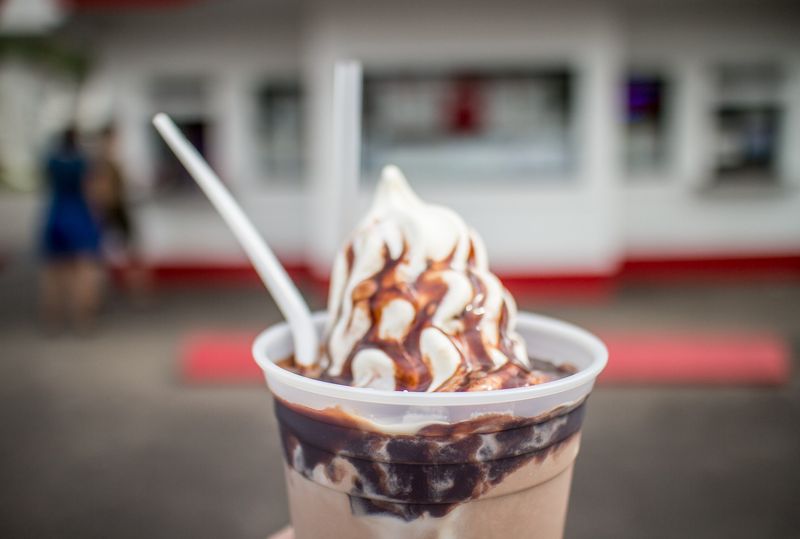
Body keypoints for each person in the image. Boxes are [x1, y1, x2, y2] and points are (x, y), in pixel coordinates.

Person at [39, 127, 103, 333]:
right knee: (84, 270)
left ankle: (53, 320)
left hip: (56, 213)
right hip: (79, 215)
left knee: (54, 273)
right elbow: (90, 190)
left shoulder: (51, 161)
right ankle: (83, 320)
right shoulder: (83, 162)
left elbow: (46, 184)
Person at [90, 125, 151, 304]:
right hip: (113, 209)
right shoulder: (105, 162)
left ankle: (137, 292)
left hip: (112, 209)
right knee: (126, 254)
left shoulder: (106, 161)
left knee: (129, 253)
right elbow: (101, 189)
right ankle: (137, 293)